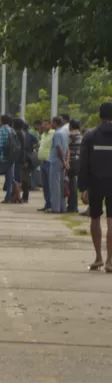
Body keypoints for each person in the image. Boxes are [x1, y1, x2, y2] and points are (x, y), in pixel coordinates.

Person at [78, 102, 112, 271]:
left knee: (95, 218)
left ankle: (98, 257)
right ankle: (110, 261)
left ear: (100, 115)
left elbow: (83, 163)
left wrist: (83, 187)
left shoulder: (90, 136)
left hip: (95, 182)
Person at [49, 115, 69, 213]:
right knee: (61, 185)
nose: (51, 124)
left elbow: (58, 148)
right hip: (62, 162)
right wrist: (66, 161)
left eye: (52, 122)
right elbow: (67, 149)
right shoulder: (65, 133)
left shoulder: (57, 134)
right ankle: (62, 207)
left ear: (55, 123)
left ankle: (55, 208)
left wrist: (62, 160)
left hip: (56, 161)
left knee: (55, 185)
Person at [37, 121, 55, 212]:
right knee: (45, 185)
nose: (43, 126)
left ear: (50, 125)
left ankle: (52, 204)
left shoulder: (53, 133)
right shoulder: (43, 135)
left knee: (50, 184)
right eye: (43, 124)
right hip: (42, 162)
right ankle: (47, 204)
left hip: (49, 162)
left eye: (46, 124)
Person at [68, 119, 83, 214]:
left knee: (72, 185)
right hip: (78, 161)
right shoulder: (81, 136)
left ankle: (73, 206)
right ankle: (73, 205)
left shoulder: (72, 136)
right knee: (73, 184)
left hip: (72, 161)